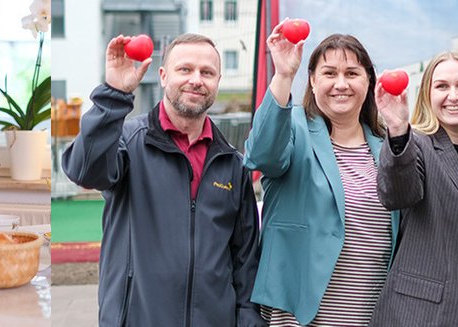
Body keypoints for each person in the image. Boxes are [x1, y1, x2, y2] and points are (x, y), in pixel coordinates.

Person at [62, 33, 263, 326]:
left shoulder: (231, 162)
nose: (196, 79)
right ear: (163, 76)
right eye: (185, 69)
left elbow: (244, 258)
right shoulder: (129, 142)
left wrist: (247, 319)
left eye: (207, 72)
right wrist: (113, 94)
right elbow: (84, 171)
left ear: (218, 81)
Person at [244, 24, 399, 326]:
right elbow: (260, 155)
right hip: (300, 317)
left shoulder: (387, 146)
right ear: (313, 81)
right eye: (329, 73)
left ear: (368, 81)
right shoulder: (294, 127)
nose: (341, 83)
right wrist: (284, 75)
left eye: (352, 73)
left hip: (371, 316)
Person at [370, 51, 458, 327]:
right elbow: (397, 193)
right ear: (427, 95)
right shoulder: (415, 145)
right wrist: (397, 128)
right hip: (423, 314)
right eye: (442, 86)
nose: (453, 95)